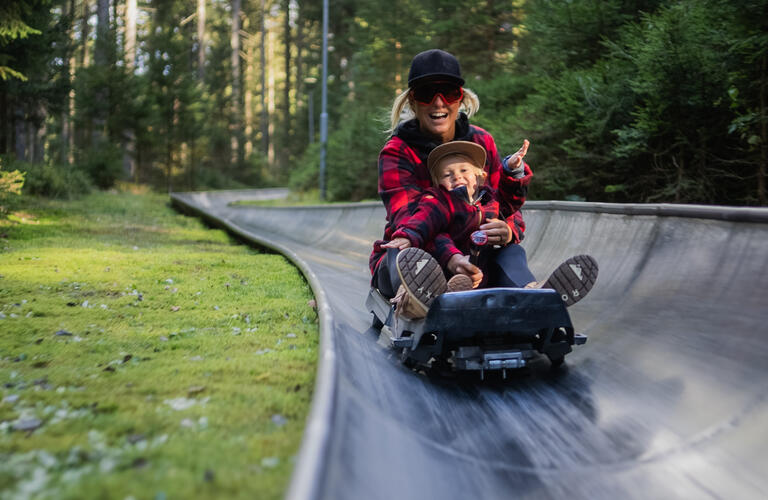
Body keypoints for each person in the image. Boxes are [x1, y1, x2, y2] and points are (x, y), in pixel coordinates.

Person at [369, 49, 597, 318]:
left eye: (449, 93)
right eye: (426, 93)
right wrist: (452, 259)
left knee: (510, 251)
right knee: (405, 257)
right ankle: (424, 300)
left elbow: (504, 205)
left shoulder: (481, 143)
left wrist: (508, 229)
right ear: (412, 101)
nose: (438, 103)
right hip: (420, 252)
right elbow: (411, 224)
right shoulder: (397, 152)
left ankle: (534, 293)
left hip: (476, 257)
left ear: (461, 99)